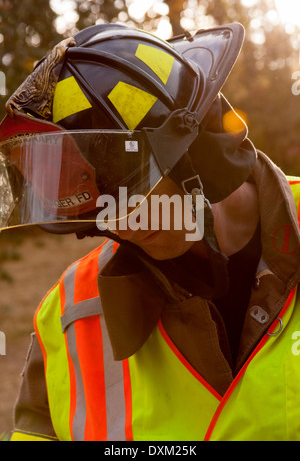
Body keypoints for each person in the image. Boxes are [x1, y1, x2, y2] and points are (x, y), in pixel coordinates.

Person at [0, 22, 300, 442]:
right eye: (96, 204)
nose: (119, 222)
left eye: (130, 189)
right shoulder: (68, 319)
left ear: (191, 149)